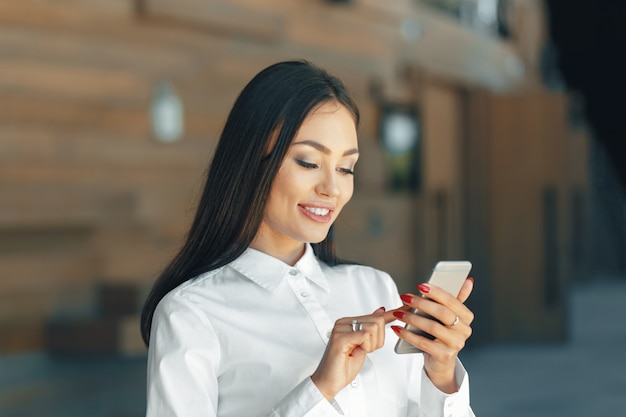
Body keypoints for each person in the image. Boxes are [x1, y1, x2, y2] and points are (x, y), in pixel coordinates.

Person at [141, 60, 476, 417]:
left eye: (346, 168)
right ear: (250, 161)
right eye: (308, 162)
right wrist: (318, 390)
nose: (332, 188)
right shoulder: (191, 314)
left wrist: (441, 377)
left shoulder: (374, 289)